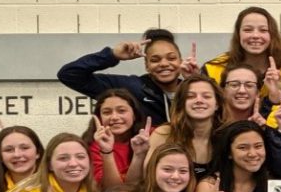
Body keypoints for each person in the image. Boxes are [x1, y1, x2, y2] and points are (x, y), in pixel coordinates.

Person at [58, 27, 187, 123]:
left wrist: (194, 78)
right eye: (155, 60)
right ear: (147, 65)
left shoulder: (193, 92)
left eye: (171, 58)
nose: (164, 64)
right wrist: (112, 55)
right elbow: (69, 75)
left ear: (180, 61)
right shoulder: (132, 88)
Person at [204, 6, 281, 116]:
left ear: (272, 35)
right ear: (238, 34)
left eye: (263, 30)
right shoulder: (214, 69)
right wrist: (191, 78)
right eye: (248, 30)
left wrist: (276, 98)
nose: (255, 35)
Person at [148, 74, 223, 180]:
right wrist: (139, 155)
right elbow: (147, 177)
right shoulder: (164, 134)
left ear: (217, 104)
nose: (199, 100)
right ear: (181, 103)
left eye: (206, 96)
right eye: (190, 96)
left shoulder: (227, 136)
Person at [82, 88, 149, 189]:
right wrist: (106, 152)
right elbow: (113, 191)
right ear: (99, 117)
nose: (114, 117)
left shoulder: (150, 136)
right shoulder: (93, 145)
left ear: (134, 114)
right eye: (107, 112)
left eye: (121, 111)